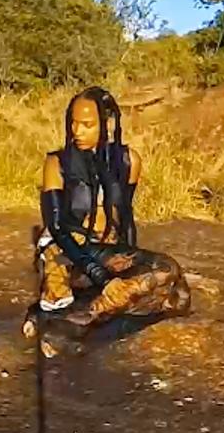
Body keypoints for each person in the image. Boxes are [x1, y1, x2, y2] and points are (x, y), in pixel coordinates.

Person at [31, 87, 191, 332]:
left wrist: (130, 265)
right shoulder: (57, 163)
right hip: (71, 249)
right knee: (152, 294)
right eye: (73, 123)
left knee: (175, 286)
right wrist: (102, 277)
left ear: (107, 124)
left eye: (87, 125)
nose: (76, 131)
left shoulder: (129, 161)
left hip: (107, 248)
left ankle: (89, 312)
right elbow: (57, 227)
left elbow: (125, 216)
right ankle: (81, 314)